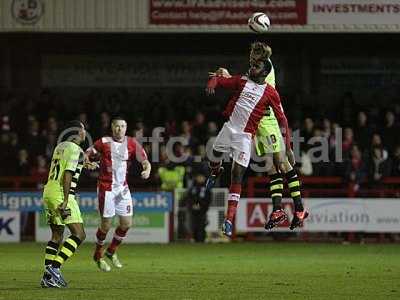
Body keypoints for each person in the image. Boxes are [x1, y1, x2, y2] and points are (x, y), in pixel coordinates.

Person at [210, 43, 308, 231]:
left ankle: (299, 208)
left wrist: (289, 147)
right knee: (270, 166)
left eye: (253, 55)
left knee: (282, 161)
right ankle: (278, 209)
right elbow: (246, 84)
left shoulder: (265, 66)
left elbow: (257, 87)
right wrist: (227, 77)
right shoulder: (256, 67)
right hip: (256, 121)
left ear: (260, 56)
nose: (250, 59)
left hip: (267, 118)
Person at [86, 116, 151, 272]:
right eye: (117, 126)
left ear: (126, 128)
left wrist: (147, 170)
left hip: (122, 189)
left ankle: (111, 251)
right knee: (106, 225)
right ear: (112, 127)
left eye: (122, 126)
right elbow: (86, 154)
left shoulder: (131, 143)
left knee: (126, 224)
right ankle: (98, 255)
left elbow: (145, 161)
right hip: (106, 188)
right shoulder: (103, 142)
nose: (119, 129)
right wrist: (88, 162)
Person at [40, 120, 97, 288]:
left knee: (56, 236)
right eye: (83, 129)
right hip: (61, 194)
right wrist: (65, 200)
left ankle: (47, 277)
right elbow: (67, 174)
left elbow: (67, 163)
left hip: (48, 192)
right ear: (78, 132)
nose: (84, 132)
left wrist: (86, 163)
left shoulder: (61, 147)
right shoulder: (76, 150)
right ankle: (55, 269)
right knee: (79, 234)